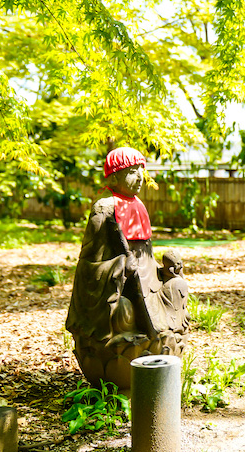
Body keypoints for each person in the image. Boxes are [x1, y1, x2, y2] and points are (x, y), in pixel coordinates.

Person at [66, 146, 190, 389]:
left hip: (149, 288)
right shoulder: (104, 207)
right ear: (114, 176)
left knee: (176, 287)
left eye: (141, 171)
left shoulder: (139, 206)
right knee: (123, 311)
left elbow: (147, 255)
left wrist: (161, 271)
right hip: (121, 285)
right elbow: (89, 264)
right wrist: (120, 265)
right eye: (132, 171)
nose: (139, 177)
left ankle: (160, 348)